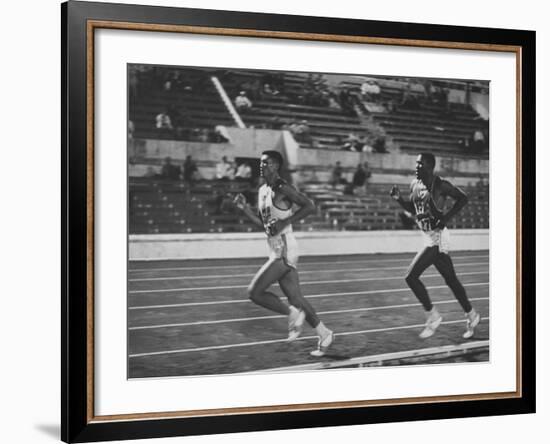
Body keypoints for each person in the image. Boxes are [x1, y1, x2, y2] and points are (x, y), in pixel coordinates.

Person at [232, 151, 334, 357]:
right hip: (274, 247)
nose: (261, 166)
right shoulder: (262, 191)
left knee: (255, 292)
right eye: (260, 163)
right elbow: (264, 225)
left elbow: (310, 206)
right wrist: (245, 209)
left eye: (266, 163)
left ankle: (292, 315)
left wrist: (286, 221)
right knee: (296, 298)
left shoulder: (283, 188)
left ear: (276, 166)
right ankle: (325, 333)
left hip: (285, 249)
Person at [389, 153, 480, 339]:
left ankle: (433, 316)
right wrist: (399, 199)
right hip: (427, 236)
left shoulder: (440, 185)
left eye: (420, 163)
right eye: (416, 162)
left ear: (429, 167)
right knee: (451, 280)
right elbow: (413, 209)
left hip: (438, 237)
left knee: (411, 276)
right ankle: (472, 314)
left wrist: (446, 218)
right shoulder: (414, 184)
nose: (416, 166)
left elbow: (463, 198)